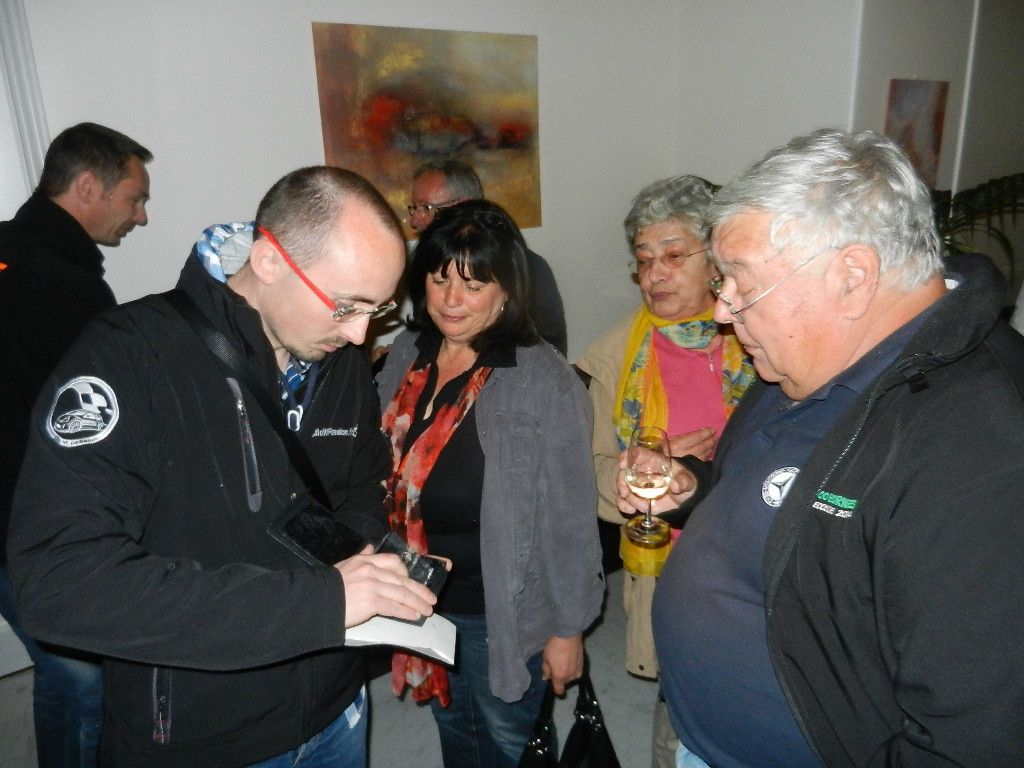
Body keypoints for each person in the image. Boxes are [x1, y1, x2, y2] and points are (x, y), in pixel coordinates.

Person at [7, 166, 440, 767]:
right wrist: (323, 602)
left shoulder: (336, 353)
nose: (360, 332)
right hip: (204, 737)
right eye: (347, 305)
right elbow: (59, 583)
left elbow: (360, 481)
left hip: (337, 707)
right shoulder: (128, 357)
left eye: (378, 308)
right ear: (269, 261)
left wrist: (370, 561)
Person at [616, 130, 1024, 767]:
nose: (722, 311)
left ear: (852, 277)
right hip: (700, 738)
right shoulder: (805, 359)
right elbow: (785, 497)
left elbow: (969, 739)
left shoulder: (984, 447)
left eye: (742, 283)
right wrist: (695, 488)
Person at [376, 199, 603, 767]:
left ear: (506, 291)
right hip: (417, 596)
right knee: (455, 729)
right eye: (440, 279)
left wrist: (568, 632)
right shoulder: (407, 352)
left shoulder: (541, 382)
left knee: (508, 741)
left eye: (474, 285)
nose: (451, 300)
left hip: (498, 610)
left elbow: (571, 522)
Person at [575, 175, 754, 768]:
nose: (655, 274)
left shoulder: (761, 338)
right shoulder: (616, 356)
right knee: (680, 717)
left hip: (756, 554)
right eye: (644, 259)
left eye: (674, 256)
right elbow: (592, 473)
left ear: (717, 260)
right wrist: (641, 467)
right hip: (674, 565)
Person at [0, 121, 151, 768]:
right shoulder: (65, 287)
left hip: (14, 519)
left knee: (64, 675)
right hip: (23, 526)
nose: (141, 217)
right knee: (87, 679)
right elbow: (92, 427)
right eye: (134, 199)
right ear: (88, 186)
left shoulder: (12, 250)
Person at [407, 159, 568, 354]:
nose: (414, 220)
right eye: (440, 281)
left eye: (426, 208)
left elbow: (550, 352)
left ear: (462, 207)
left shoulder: (528, 267)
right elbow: (427, 333)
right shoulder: (425, 265)